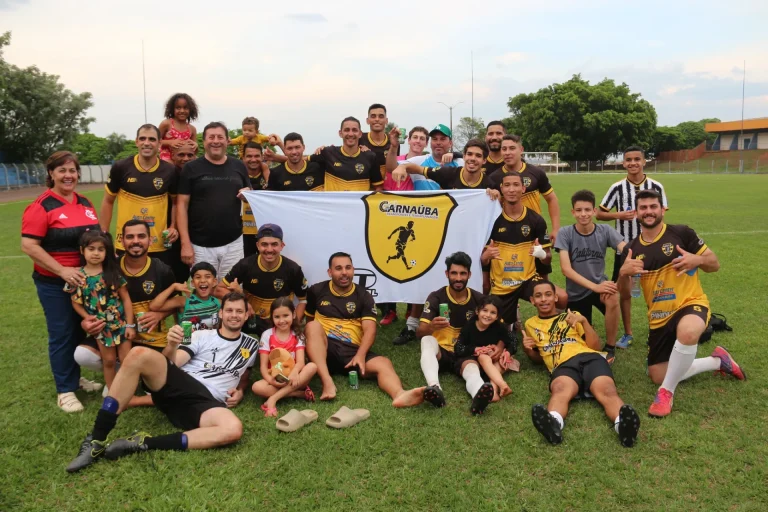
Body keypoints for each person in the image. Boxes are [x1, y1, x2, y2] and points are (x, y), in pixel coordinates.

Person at [65, 292, 256, 473]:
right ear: (220, 313)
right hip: (183, 386)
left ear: (246, 315)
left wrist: (240, 391)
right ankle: (96, 440)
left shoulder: (252, 345)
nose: (234, 315)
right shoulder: (201, 335)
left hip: (206, 405)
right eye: (229, 310)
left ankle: (142, 443)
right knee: (138, 354)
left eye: (239, 311)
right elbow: (174, 363)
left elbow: (244, 375)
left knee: (233, 429)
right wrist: (171, 345)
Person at [618, 189, 745, 418]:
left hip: (690, 303)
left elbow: (714, 264)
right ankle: (717, 362)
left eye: (653, 206)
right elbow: (626, 294)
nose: (648, 211)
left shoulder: (681, 233)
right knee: (658, 374)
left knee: (687, 333)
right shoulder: (631, 250)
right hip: (658, 317)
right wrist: (623, 274)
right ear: (636, 213)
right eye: (643, 207)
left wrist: (697, 259)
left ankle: (666, 393)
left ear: (663, 209)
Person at [21, 151, 101, 412]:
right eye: (62, 170)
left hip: (84, 283)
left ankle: (75, 379)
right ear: (51, 174)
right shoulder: (42, 206)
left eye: (72, 170)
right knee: (62, 333)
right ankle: (65, 390)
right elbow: (29, 245)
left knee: (79, 330)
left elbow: (95, 240)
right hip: (54, 284)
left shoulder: (85, 202)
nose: (68, 175)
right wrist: (62, 270)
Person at [523, 281, 641, 447]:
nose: (543, 299)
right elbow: (538, 359)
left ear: (556, 297)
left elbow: (595, 347)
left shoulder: (572, 315)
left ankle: (623, 426)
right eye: (538, 296)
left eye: (548, 294)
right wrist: (528, 350)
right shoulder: (530, 324)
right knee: (560, 389)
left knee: (607, 390)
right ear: (532, 300)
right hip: (563, 365)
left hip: (590, 358)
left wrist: (584, 322)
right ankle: (553, 425)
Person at [304, 252, 425, 406]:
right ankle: (327, 382)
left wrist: (360, 355)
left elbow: (370, 330)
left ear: (353, 270)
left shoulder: (363, 295)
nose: (344, 272)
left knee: (384, 363)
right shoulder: (317, 290)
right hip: (325, 348)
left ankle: (399, 394)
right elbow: (309, 322)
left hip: (352, 352)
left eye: (348, 268)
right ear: (330, 272)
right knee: (312, 326)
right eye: (338, 268)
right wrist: (310, 349)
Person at [74, 220, 177, 384]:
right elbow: (80, 299)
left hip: (149, 338)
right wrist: (85, 320)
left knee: (159, 375)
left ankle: (132, 377)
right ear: (121, 241)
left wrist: (160, 315)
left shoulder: (162, 270)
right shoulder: (110, 267)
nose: (136, 241)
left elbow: (178, 302)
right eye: (130, 237)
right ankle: (118, 378)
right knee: (83, 355)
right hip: (112, 330)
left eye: (141, 236)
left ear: (150, 240)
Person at [597, 146, 669, 349]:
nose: (633, 163)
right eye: (629, 160)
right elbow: (600, 214)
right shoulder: (617, 187)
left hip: (652, 247)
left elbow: (662, 214)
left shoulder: (656, 186)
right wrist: (618, 215)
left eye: (637, 159)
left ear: (644, 161)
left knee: (656, 290)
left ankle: (656, 330)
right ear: (623, 163)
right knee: (625, 292)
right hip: (625, 249)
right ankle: (628, 333)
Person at [481, 173, 567, 329]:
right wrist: (486, 256)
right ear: (501, 189)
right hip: (502, 284)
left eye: (516, 185)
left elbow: (547, 259)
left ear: (523, 188)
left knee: (561, 297)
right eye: (507, 185)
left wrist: (541, 254)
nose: (511, 189)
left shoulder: (536, 220)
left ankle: (553, 329)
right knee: (500, 332)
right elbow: (483, 260)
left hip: (528, 280)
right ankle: (511, 319)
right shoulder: (492, 220)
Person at [417, 252, 496, 414]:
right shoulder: (436, 297)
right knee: (426, 340)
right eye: (454, 273)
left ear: (469, 275)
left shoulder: (478, 299)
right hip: (442, 352)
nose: (458, 278)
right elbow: (419, 332)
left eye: (462, 273)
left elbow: (498, 327)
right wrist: (431, 326)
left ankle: (479, 396)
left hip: (465, 352)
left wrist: (499, 348)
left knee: (472, 370)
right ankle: (435, 388)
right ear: (447, 274)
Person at [555, 190, 626, 365]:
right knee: (586, 344)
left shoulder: (605, 230)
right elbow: (566, 269)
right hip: (577, 293)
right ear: (573, 212)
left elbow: (626, 250)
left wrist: (633, 260)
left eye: (587, 210)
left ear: (594, 211)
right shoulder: (565, 233)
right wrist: (595, 286)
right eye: (579, 210)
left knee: (612, 297)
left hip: (599, 287)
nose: (583, 214)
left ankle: (610, 346)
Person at [177, 121, 251, 277]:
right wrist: (185, 243)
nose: (216, 141)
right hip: (200, 245)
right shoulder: (190, 168)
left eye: (220, 137)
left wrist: (248, 194)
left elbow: (249, 192)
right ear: (204, 141)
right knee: (204, 289)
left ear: (227, 141)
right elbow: (181, 205)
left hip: (233, 242)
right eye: (211, 137)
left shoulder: (239, 166)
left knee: (231, 288)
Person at [65, 230, 135, 392]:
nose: (96, 253)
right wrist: (87, 317)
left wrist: (130, 325)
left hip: (121, 324)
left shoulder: (112, 273)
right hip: (101, 328)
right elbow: (75, 302)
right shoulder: (78, 277)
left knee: (126, 360)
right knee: (108, 360)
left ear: (106, 252)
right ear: (82, 250)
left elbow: (126, 299)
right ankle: (112, 392)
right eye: (91, 249)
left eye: (101, 249)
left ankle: (127, 390)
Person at [99, 124, 179, 265]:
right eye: (142, 138)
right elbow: (108, 201)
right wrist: (103, 235)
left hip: (158, 244)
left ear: (159, 143)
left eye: (152, 139)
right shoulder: (121, 167)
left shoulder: (170, 170)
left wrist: (173, 226)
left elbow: (176, 202)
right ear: (136, 142)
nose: (146, 143)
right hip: (126, 242)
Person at [215, 224, 308, 338]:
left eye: (274, 244)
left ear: (282, 246)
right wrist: (243, 302)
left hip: (278, 320)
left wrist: (293, 323)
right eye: (264, 244)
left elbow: (303, 300)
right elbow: (219, 289)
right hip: (251, 317)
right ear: (257, 246)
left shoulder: (293, 269)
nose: (269, 249)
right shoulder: (245, 265)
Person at [489, 134, 561, 281]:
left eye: (512, 148)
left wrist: (556, 228)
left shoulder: (536, 173)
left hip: (535, 231)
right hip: (508, 234)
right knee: (508, 275)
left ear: (521, 150)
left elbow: (551, 199)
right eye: (504, 149)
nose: (507, 152)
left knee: (542, 276)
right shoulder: (494, 178)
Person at [251, 297, 318, 417]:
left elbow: (301, 362)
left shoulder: (298, 335)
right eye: (277, 317)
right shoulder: (267, 335)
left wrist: (295, 373)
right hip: (276, 378)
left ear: (293, 315)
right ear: (272, 317)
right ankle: (298, 393)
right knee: (256, 387)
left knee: (312, 367)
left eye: (285, 315)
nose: (281, 321)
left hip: (296, 378)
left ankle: (273, 399)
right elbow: (263, 367)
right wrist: (271, 380)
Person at [453, 295, 516, 402]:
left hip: (496, 360)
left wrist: (508, 352)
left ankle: (494, 391)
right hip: (477, 361)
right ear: (477, 311)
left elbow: (513, 341)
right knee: (483, 357)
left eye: (493, 312)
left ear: (497, 316)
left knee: (502, 360)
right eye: (485, 310)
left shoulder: (499, 327)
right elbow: (458, 348)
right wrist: (475, 349)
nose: (488, 315)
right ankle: (502, 384)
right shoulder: (469, 327)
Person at [305, 117, 383, 191]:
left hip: (358, 202)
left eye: (354, 130)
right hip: (333, 201)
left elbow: (378, 187)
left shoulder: (370, 157)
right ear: (340, 133)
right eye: (346, 130)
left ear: (360, 134)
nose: (351, 134)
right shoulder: (327, 152)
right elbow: (302, 161)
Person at [391, 139, 497, 193]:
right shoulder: (448, 173)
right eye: (469, 154)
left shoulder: (489, 185)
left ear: (484, 160)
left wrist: (495, 196)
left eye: (478, 156)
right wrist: (402, 167)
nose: (472, 158)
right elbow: (418, 169)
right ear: (464, 156)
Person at [164, 141, 199, 284]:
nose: (186, 158)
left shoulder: (198, 174)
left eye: (190, 155)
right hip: (169, 231)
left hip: (193, 230)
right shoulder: (166, 173)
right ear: (172, 155)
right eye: (181, 155)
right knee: (168, 271)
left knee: (188, 272)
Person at [149, 261, 221, 331]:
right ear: (192, 283)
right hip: (187, 339)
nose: (202, 280)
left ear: (214, 282)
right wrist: (173, 287)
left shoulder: (218, 303)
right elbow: (154, 306)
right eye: (198, 277)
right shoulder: (184, 301)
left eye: (207, 277)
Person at [386, 124, 463, 181]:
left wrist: (456, 154)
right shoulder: (419, 161)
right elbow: (391, 168)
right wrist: (394, 146)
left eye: (442, 139)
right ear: (430, 143)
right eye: (435, 139)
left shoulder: (460, 163)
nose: (438, 143)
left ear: (450, 143)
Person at [241, 142, 269, 257]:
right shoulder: (236, 175)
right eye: (249, 156)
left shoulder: (270, 174)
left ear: (262, 157)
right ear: (243, 157)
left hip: (265, 230)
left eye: (257, 156)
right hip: (242, 232)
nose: (253, 159)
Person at [360, 103, 400, 182]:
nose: (377, 119)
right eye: (373, 116)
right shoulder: (359, 139)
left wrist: (394, 147)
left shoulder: (393, 141)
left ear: (386, 121)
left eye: (381, 116)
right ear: (367, 121)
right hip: (365, 186)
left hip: (387, 187)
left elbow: (393, 169)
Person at [159, 92, 198, 162]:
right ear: (172, 109)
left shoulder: (192, 129)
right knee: (170, 166)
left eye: (185, 108)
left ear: (190, 110)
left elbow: (195, 150)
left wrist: (195, 145)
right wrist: (170, 142)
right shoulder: (166, 124)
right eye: (178, 108)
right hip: (167, 158)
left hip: (185, 158)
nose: (182, 111)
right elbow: (156, 141)